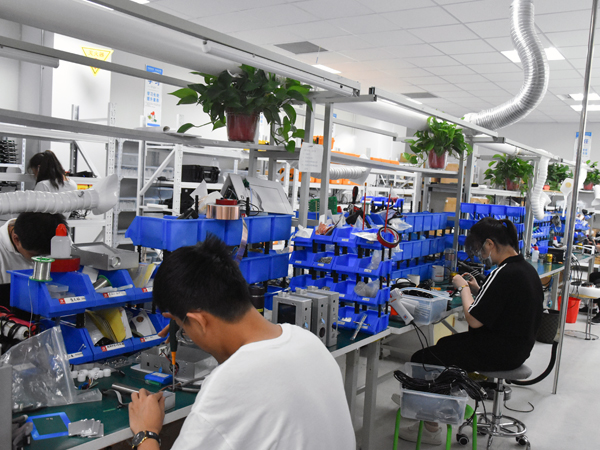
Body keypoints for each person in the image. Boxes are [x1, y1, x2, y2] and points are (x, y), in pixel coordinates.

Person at [128, 237, 355, 450]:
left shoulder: (228, 387)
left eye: (183, 327)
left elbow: (244, 378)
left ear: (198, 321)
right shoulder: (308, 342)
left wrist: (146, 432)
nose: (186, 335)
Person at [400, 217, 543, 445]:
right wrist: (478, 289)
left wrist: (464, 287)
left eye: (480, 248)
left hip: (499, 351)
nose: (481, 255)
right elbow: (501, 303)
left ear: (490, 243)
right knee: (444, 346)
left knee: (423, 359)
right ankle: (437, 403)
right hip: (516, 348)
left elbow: (474, 320)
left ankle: (430, 428)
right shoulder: (524, 269)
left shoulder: (504, 272)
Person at [0, 212, 68, 284]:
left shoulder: (58, 235)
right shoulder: (2, 251)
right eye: (36, 255)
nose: (44, 259)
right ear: (16, 239)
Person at [28, 150, 77, 218]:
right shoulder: (73, 184)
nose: (35, 176)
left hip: (44, 224)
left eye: (34, 172)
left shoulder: (43, 185)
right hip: (63, 223)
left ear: (39, 168)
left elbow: (37, 213)